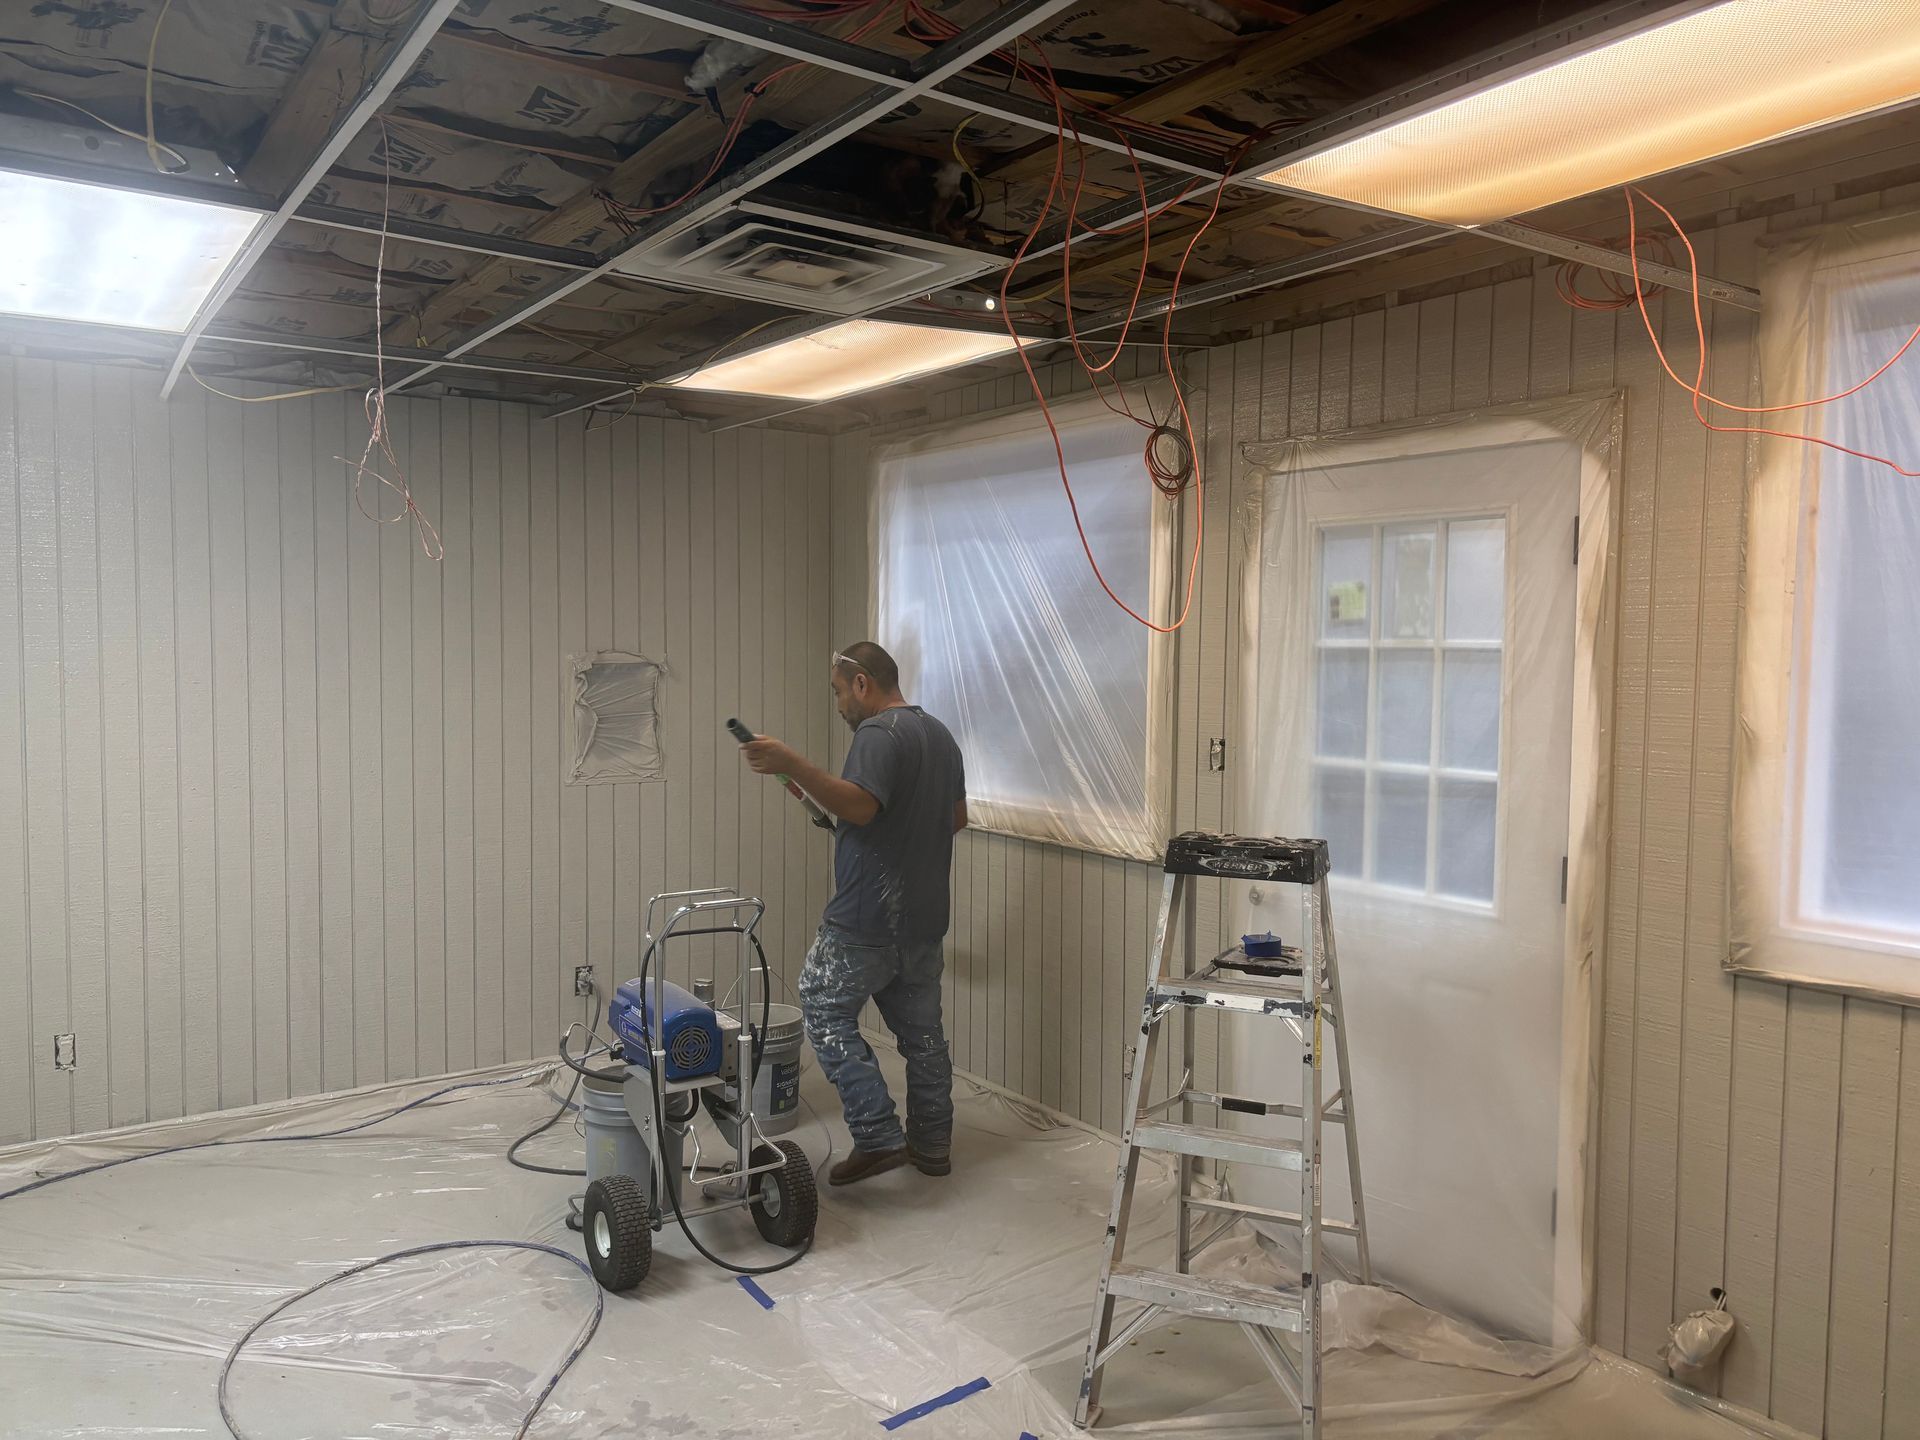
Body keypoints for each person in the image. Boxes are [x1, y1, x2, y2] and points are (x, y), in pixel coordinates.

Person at [740, 641, 966, 1186]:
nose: (840, 705)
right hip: (924, 919)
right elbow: (955, 818)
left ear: (862, 683)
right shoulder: (939, 735)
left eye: (840, 692)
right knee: (924, 1036)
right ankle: (932, 1146)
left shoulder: (878, 734)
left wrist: (791, 762)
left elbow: (862, 806)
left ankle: (878, 1134)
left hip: (865, 918)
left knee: (821, 1005)